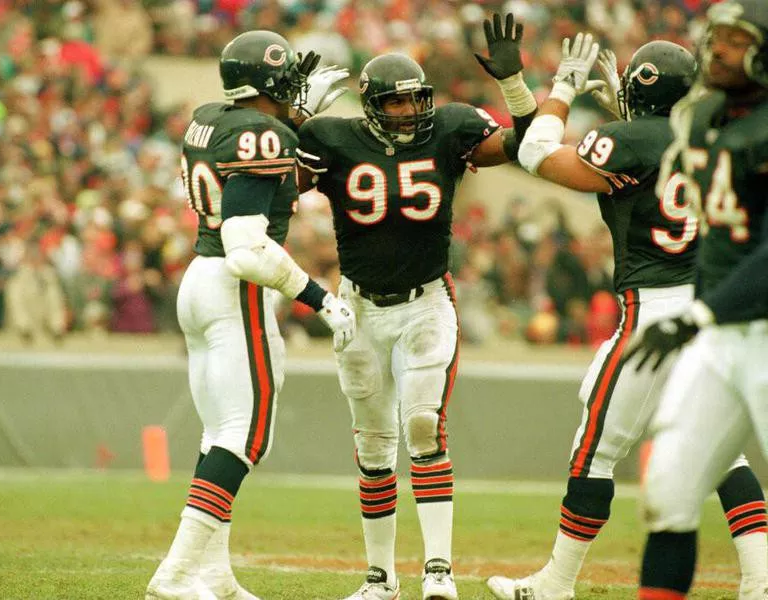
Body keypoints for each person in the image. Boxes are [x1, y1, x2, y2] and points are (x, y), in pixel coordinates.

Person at [486, 32, 767, 600]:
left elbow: (536, 153)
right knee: (720, 449)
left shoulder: (630, 139)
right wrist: (629, 108)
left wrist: (563, 85)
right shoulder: (712, 133)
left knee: (595, 448)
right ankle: (760, 580)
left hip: (653, 310)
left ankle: (556, 583)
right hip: (710, 304)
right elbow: (655, 149)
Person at [296, 13, 538, 600]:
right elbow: (272, 179)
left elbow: (527, 146)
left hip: (425, 303)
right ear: (373, 106)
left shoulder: (449, 128)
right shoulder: (333, 138)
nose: (410, 114)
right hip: (357, 308)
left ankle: (438, 573)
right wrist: (292, 118)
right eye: (397, 104)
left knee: (424, 429)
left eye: (416, 102)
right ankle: (380, 579)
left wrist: (514, 86)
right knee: (373, 446)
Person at [146, 30, 355, 600]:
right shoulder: (261, 134)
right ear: (268, 83)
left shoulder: (212, 115)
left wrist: (292, 118)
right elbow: (245, 244)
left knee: (219, 432)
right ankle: (175, 573)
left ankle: (212, 573)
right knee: (247, 434)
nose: (296, 88)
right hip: (235, 284)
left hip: (199, 277)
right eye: (287, 79)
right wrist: (320, 298)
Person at [623, 1, 768, 598]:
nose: (719, 50)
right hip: (721, 334)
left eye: (737, 40)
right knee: (670, 491)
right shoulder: (702, 115)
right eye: (716, 38)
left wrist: (698, 313)